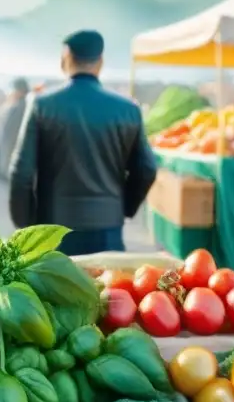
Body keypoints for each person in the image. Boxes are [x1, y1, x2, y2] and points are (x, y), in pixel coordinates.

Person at [9, 30, 156, 255]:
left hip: (53, 229)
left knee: (54, 290)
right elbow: (146, 170)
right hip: (108, 228)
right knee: (105, 288)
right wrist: (122, 207)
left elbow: (21, 173)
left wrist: (26, 223)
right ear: (101, 62)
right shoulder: (129, 110)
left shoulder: (42, 106)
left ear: (66, 58)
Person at [0, 78, 29, 181]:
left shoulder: (22, 105)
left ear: (20, 91)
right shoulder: (20, 104)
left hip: (16, 146)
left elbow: (11, 129)